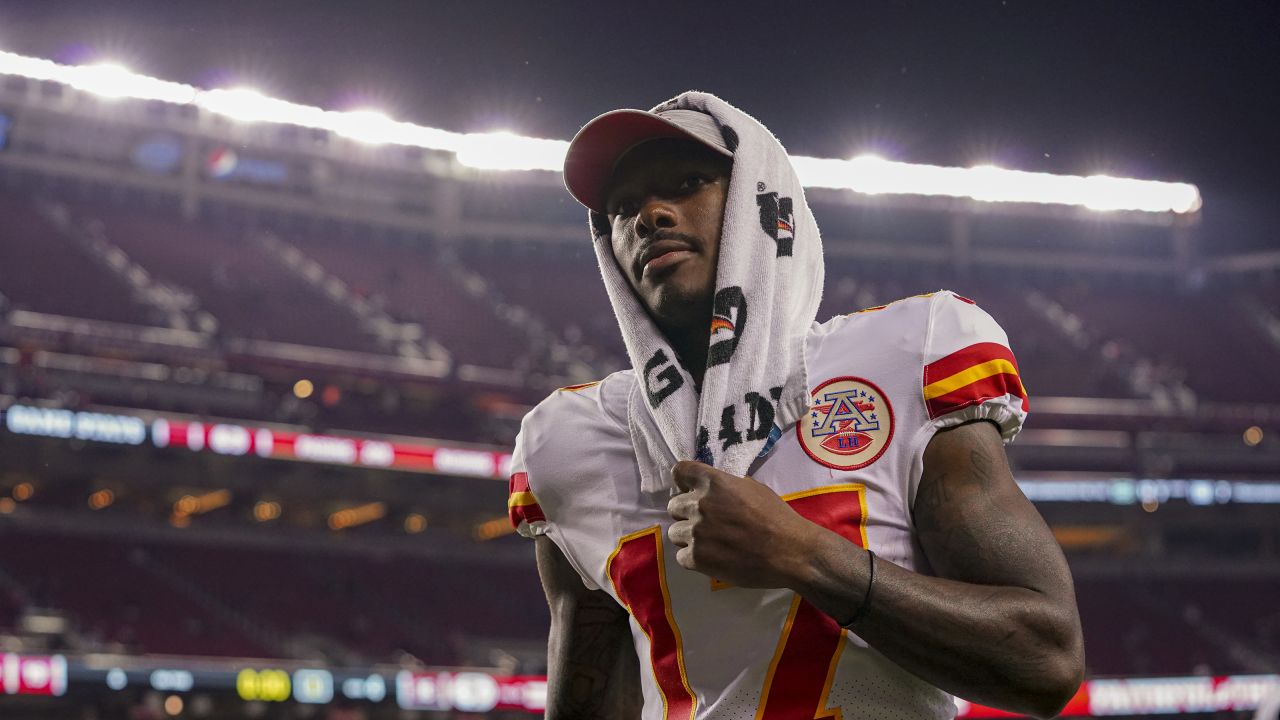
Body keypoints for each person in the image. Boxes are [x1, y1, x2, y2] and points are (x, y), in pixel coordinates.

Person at [508, 92, 1084, 720]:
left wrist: (804, 555)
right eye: (623, 208)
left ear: (764, 196)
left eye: (688, 182)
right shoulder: (569, 440)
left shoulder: (906, 356)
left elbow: (1045, 661)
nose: (649, 215)